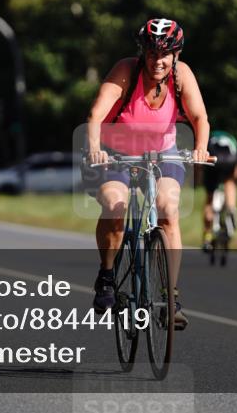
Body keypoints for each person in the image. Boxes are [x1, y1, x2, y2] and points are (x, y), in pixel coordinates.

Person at [85, 18, 210, 329]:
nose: (158, 61)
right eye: (152, 54)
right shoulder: (126, 72)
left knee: (168, 211)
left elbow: (199, 117)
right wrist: (94, 148)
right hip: (115, 154)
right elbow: (96, 114)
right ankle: (107, 275)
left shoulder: (181, 76)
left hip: (162, 153)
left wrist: (200, 148)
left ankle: (171, 296)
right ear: (143, 53)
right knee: (115, 205)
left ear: (176, 55)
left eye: (165, 55)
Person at [202, 130, 237, 251]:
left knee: (209, 200)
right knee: (230, 182)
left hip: (213, 162)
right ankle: (231, 208)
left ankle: (207, 238)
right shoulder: (232, 140)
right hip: (230, 160)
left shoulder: (209, 138)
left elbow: (200, 162)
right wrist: (232, 178)